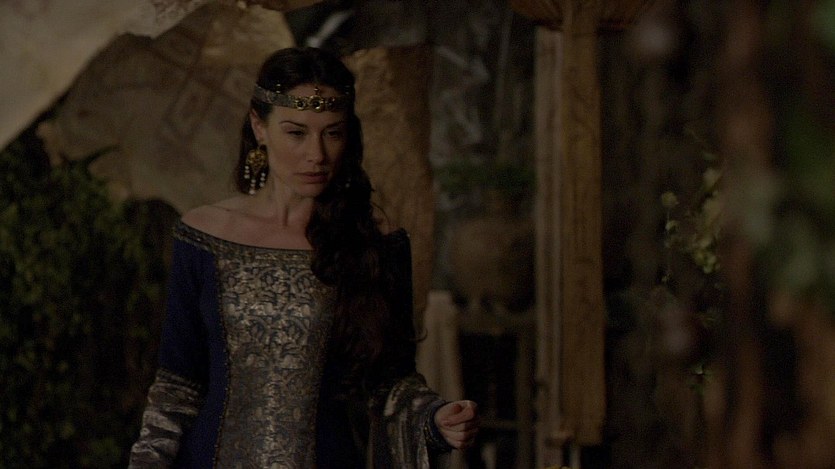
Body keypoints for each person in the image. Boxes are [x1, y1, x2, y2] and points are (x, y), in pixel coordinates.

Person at [128, 46, 479, 468]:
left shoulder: (374, 246)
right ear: (259, 126)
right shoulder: (203, 237)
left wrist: (434, 419)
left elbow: (390, 383)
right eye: (296, 133)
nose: (317, 154)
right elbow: (177, 387)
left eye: (332, 133)